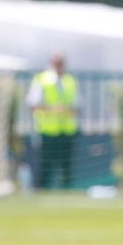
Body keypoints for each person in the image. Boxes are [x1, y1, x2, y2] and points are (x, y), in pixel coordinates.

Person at [27, 53, 79, 190]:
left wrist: (69, 109)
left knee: (66, 164)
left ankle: (66, 188)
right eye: (57, 63)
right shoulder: (41, 80)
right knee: (46, 164)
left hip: (67, 130)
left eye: (61, 63)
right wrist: (53, 109)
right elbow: (33, 104)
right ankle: (43, 189)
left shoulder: (70, 81)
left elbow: (77, 104)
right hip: (47, 131)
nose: (59, 66)